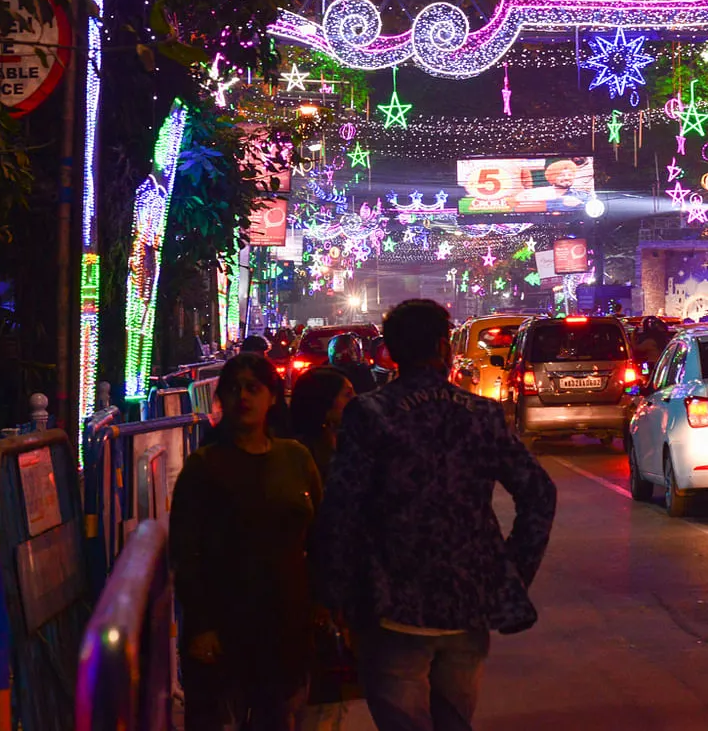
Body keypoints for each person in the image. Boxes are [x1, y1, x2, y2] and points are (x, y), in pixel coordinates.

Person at [315, 299, 556, 731]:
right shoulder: (481, 414)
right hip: (468, 602)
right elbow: (538, 492)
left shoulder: (371, 414)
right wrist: (511, 571)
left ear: (389, 352)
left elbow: (342, 509)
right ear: (445, 349)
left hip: (393, 606)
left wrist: (336, 593)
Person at [170, 353, 324, 730]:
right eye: (234, 388)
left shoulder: (295, 459)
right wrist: (202, 626)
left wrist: (324, 601)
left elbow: (322, 534)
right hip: (223, 628)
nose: (243, 397)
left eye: (253, 388)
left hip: (285, 624)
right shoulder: (203, 467)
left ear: (272, 396)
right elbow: (185, 552)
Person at [287, 367, 354, 478]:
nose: (356, 400)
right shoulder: (299, 457)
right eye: (348, 395)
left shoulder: (349, 444)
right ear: (324, 403)